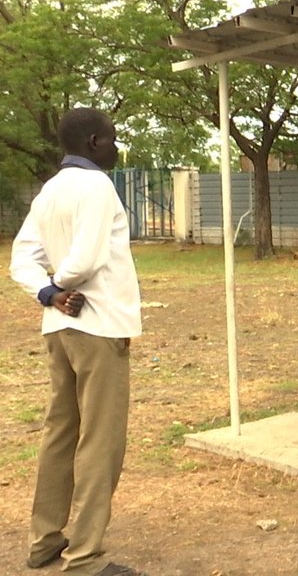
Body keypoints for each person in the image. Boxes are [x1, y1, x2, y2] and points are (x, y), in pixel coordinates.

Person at [9, 107, 146, 576]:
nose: (115, 144)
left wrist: (48, 292)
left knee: (60, 434)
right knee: (100, 442)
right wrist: (64, 285)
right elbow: (86, 258)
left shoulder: (50, 191)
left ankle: (45, 541)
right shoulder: (97, 186)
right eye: (111, 138)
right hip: (98, 324)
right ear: (93, 142)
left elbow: (21, 258)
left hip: (60, 328)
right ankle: (84, 557)